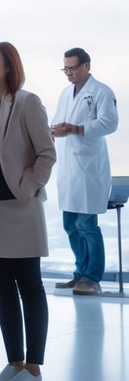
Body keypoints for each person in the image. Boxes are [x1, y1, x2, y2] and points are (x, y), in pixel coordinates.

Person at [0, 41, 56, 381]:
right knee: (2, 288)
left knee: (29, 286)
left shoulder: (26, 101)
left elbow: (47, 153)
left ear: (9, 66)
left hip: (18, 207)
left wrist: (28, 186)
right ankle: (14, 363)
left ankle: (33, 370)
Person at [51, 48, 119, 296]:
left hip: (90, 169)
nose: (68, 73)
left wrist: (77, 129)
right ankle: (80, 273)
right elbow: (57, 121)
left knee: (87, 224)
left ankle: (92, 277)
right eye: (65, 69)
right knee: (70, 225)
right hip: (69, 168)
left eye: (72, 68)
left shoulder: (101, 92)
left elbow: (110, 123)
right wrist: (54, 129)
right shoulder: (65, 93)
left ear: (86, 66)